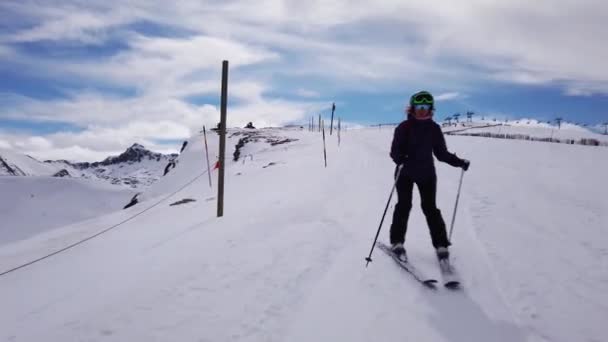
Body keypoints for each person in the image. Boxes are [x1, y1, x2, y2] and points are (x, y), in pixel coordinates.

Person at [389, 91, 470, 262]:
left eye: (426, 107)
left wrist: (459, 162)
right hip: (405, 173)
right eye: (419, 107)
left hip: (426, 174)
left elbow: (441, 154)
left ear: (431, 109)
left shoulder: (434, 129)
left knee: (430, 208)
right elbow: (394, 151)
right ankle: (397, 242)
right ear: (412, 108)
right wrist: (400, 158)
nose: (422, 110)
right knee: (404, 205)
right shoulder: (403, 128)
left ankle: (441, 244)